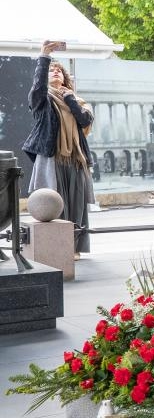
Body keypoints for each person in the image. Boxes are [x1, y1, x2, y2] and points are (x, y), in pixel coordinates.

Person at [23, 41, 95, 258]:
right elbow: (37, 89)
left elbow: (84, 121)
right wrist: (44, 56)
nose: (55, 72)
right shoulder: (43, 100)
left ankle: (74, 248)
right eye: (51, 70)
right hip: (52, 158)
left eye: (59, 70)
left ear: (66, 78)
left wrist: (70, 98)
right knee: (55, 203)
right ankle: (57, 247)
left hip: (75, 159)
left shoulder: (78, 101)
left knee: (76, 204)